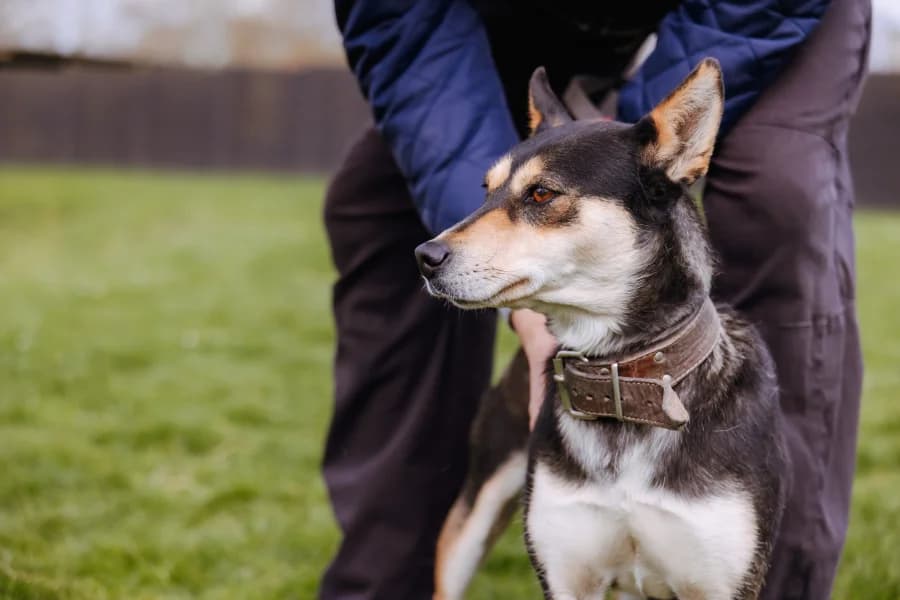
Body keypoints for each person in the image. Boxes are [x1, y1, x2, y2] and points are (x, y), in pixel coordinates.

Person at [320, 1, 871, 598]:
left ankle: (778, 577)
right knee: (374, 205)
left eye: (541, 199)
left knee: (777, 189)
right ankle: (385, 584)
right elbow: (405, 31)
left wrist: (637, 153)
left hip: (761, 14)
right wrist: (522, 293)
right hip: (487, 23)